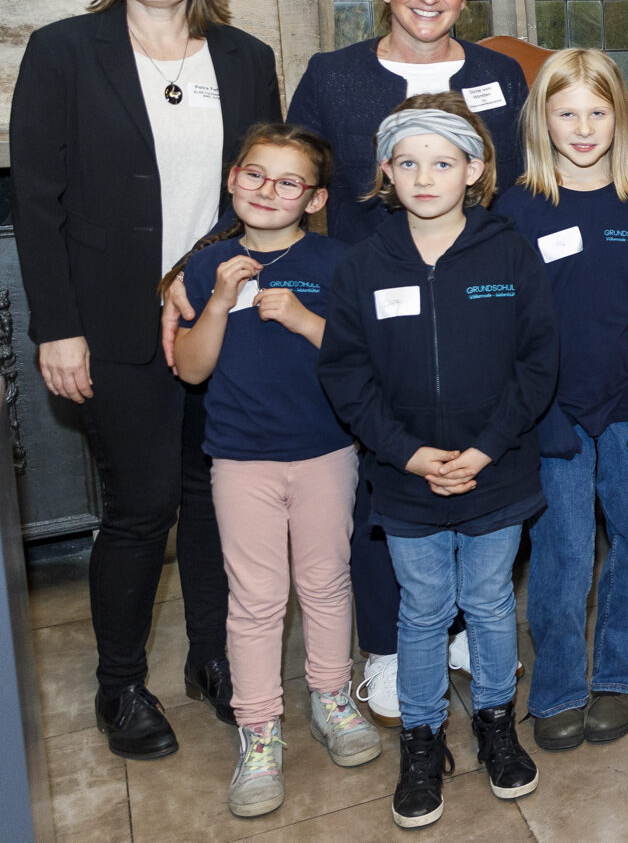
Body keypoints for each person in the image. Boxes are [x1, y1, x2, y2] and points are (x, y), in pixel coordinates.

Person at [12, 0, 280, 758]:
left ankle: (213, 660)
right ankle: (119, 685)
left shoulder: (245, 59)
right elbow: (39, 204)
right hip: (110, 324)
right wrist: (58, 328)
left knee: (215, 500)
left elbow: (262, 193)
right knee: (141, 506)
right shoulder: (63, 53)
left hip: (217, 315)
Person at [278, 0, 529, 725]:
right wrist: (213, 265)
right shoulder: (335, 76)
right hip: (377, 309)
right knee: (387, 484)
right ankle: (387, 646)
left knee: (476, 470)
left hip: (478, 305)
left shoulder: (495, 74)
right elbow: (291, 182)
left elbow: (520, 190)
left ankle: (459, 626)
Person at [318, 96, 558, 829]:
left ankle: (494, 723)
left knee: (488, 602)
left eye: (443, 162)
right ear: (386, 171)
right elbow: (345, 373)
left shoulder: (510, 252)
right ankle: (422, 740)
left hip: (498, 467)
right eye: (409, 162)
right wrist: (410, 454)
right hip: (405, 475)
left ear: (475, 170)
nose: (426, 177)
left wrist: (485, 448)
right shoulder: (362, 266)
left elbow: (538, 360)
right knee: (423, 610)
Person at [171, 124, 380, 816]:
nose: (269, 191)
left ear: (314, 198)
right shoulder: (205, 267)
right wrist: (218, 302)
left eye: (288, 182)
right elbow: (192, 369)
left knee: (325, 582)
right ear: (233, 179)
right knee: (256, 599)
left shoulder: (338, 262)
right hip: (239, 459)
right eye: (256, 176)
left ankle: (331, 699)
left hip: (326, 452)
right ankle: (259, 731)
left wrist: (302, 319)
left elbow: (362, 353)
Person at [495, 50, 628, 751]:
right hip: (555, 417)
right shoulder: (517, 208)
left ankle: (623, 676)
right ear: (542, 119)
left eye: (597, 112)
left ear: (620, 117)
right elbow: (509, 324)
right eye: (566, 112)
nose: (582, 128)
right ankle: (559, 689)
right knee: (563, 556)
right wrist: (539, 418)